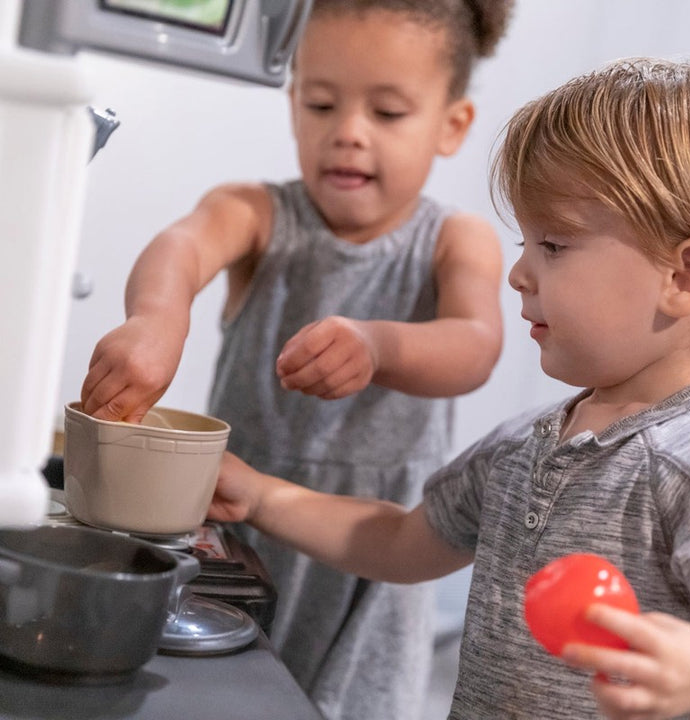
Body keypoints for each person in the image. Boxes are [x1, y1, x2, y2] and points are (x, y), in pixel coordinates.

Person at [205, 57, 690, 720]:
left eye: (555, 246)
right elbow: (397, 541)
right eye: (525, 243)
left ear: (687, 276)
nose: (519, 274)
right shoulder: (523, 448)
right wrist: (262, 494)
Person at [80, 2, 513, 718]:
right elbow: (182, 248)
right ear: (293, 104)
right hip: (239, 532)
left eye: (388, 112)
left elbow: (476, 343)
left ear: (451, 124)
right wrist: (156, 319)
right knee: (224, 696)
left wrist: (381, 345)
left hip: (373, 554)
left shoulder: (456, 240)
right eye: (321, 103)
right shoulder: (254, 211)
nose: (347, 133)